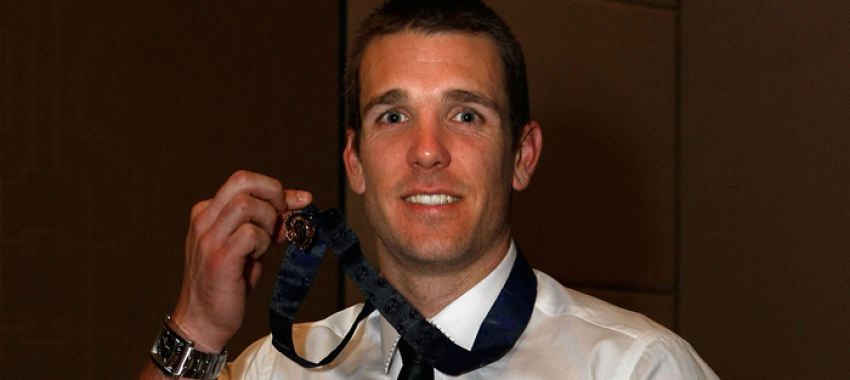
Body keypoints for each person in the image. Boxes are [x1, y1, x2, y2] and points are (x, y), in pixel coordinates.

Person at [140, 0, 719, 379]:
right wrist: (196, 329)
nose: (425, 150)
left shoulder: (636, 370)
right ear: (355, 161)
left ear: (521, 156)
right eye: (392, 117)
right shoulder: (281, 367)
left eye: (465, 115)